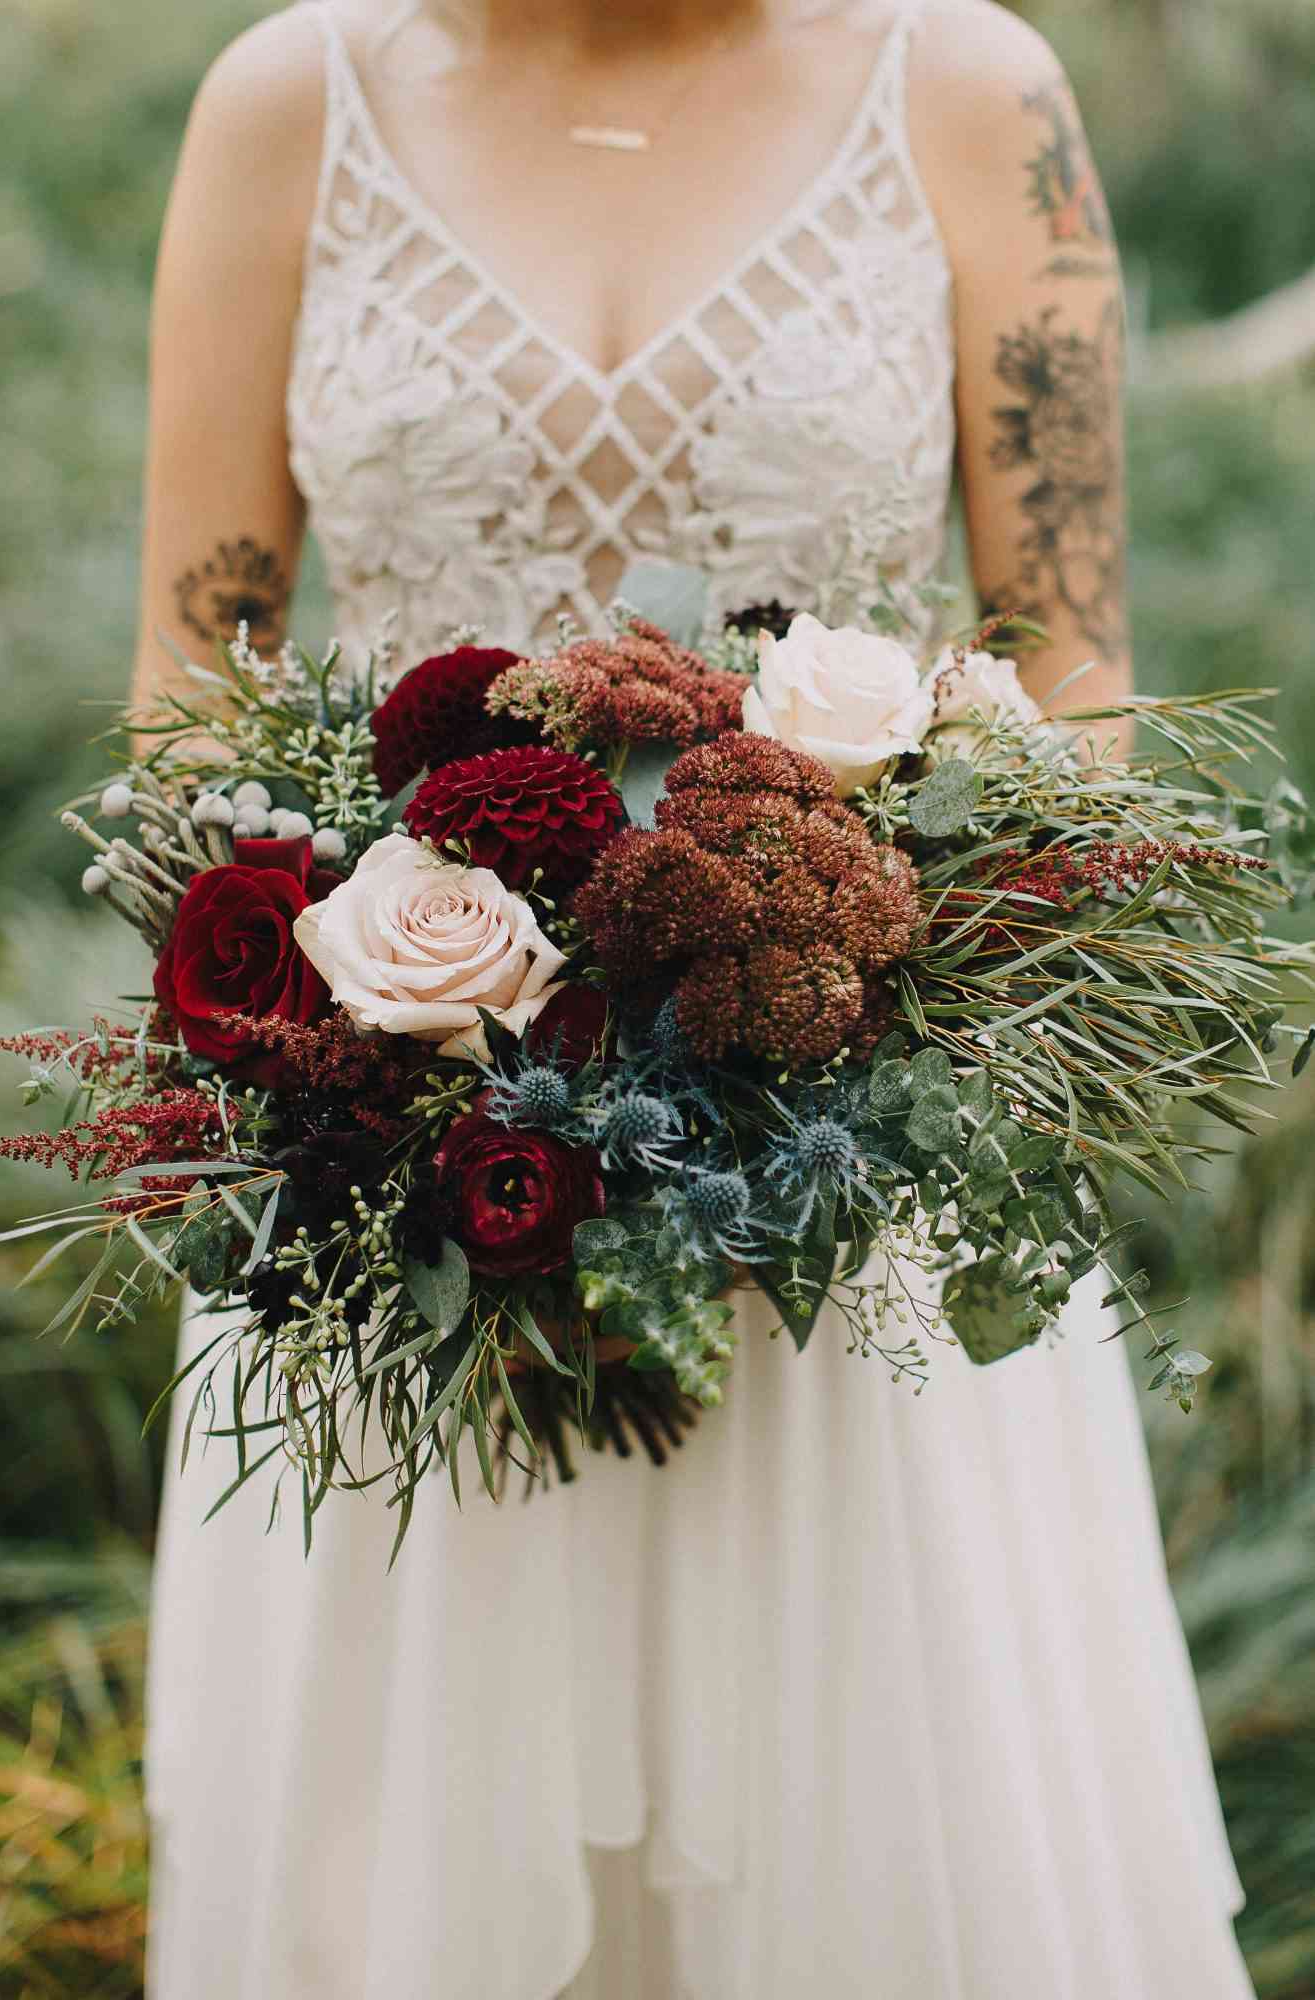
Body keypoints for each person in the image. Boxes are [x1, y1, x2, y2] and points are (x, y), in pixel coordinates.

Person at [138, 2, 1257, 1994]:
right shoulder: (286, 104)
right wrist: (389, 1041)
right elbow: (185, 690)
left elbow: (1074, 681)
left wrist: (873, 995)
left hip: (852, 1224)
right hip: (408, 1219)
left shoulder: (973, 94)